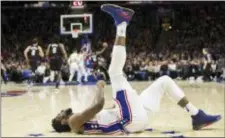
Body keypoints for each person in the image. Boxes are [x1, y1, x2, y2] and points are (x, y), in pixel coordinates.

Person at [51, 4, 221, 134]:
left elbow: (103, 111)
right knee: (114, 73)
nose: (60, 112)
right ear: (62, 123)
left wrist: (113, 106)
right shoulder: (73, 123)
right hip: (129, 120)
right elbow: (98, 105)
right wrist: (100, 86)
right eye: (58, 116)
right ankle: (122, 22)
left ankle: (196, 115)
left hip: (137, 119)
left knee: (164, 81)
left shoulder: (79, 120)